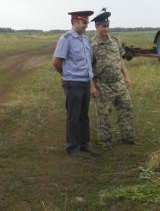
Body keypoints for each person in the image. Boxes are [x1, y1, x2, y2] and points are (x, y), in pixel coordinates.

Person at [90, 9, 140, 151]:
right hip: (102, 85)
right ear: (97, 27)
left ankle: (128, 138)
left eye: (107, 26)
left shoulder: (115, 42)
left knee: (126, 108)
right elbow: (87, 68)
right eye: (103, 26)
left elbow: (120, 60)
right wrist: (92, 86)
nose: (106, 29)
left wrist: (126, 76)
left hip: (118, 83)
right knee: (104, 114)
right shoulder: (91, 45)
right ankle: (105, 142)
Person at [52, 10, 99, 157]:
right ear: (74, 22)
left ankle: (84, 144)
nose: (86, 25)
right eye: (84, 23)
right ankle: (73, 147)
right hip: (73, 83)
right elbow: (56, 62)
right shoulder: (66, 39)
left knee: (84, 115)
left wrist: (91, 84)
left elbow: (88, 65)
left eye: (87, 22)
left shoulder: (85, 40)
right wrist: (66, 76)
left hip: (85, 83)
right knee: (74, 116)